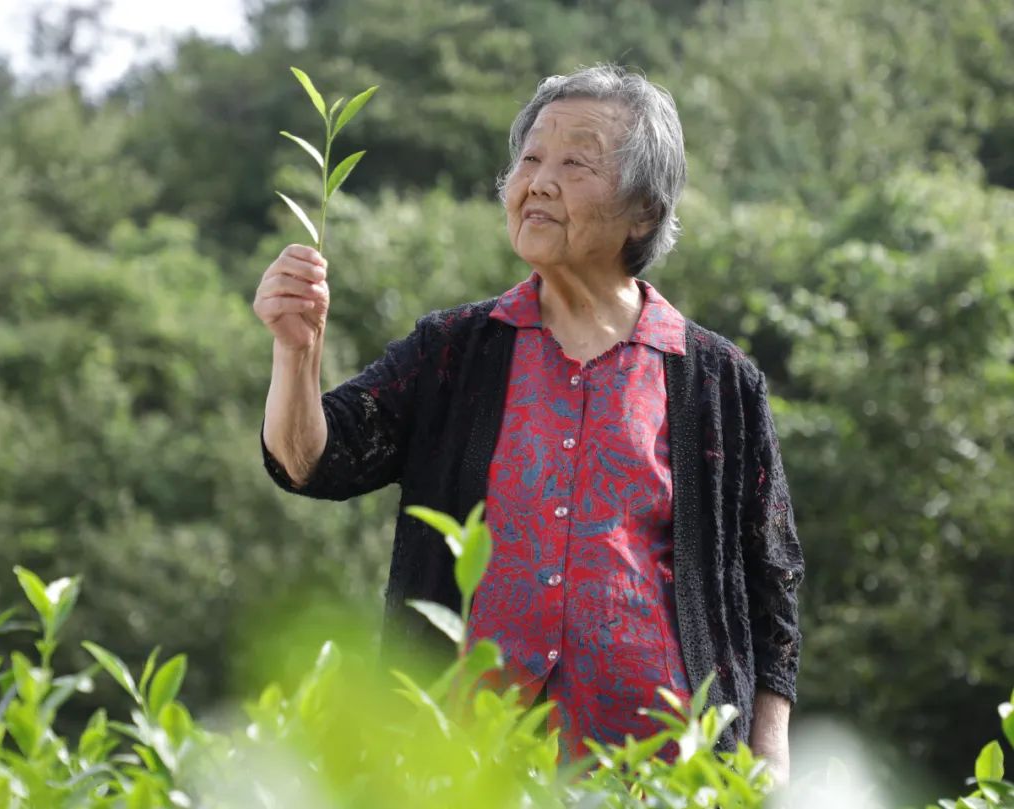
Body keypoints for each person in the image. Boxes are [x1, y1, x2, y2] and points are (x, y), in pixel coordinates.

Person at [255, 65, 804, 781]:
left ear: (642, 210)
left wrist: (768, 754)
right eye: (530, 158)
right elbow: (311, 460)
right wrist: (296, 351)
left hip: (667, 776)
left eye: (575, 162)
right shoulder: (454, 351)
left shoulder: (719, 380)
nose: (538, 181)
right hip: (466, 768)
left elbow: (773, 575)